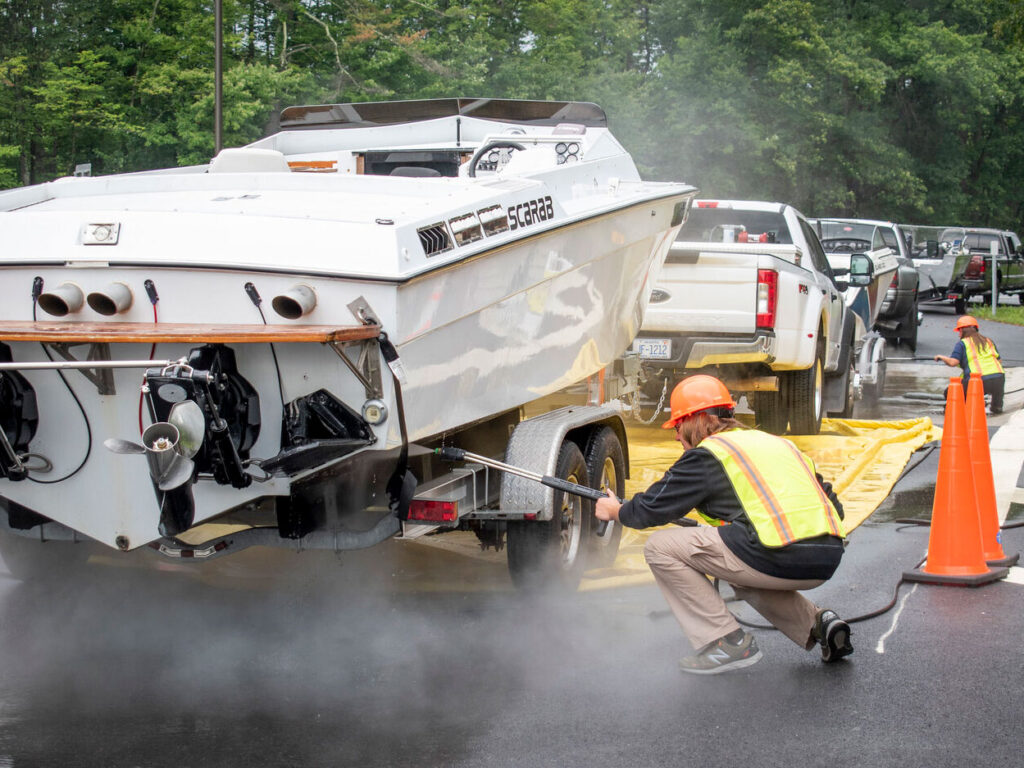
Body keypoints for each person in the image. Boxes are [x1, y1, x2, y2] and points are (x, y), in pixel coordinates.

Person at [595, 375, 852, 675]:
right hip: (828, 555)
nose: (677, 437)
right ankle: (819, 625)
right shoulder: (779, 444)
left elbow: (652, 508)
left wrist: (617, 511)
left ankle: (726, 642)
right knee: (741, 571)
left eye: (678, 426)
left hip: (776, 552)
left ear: (697, 420)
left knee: (660, 548)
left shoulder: (709, 454)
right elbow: (835, 507)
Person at [934, 315, 1005, 414]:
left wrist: (940, 357)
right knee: (996, 409)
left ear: (962, 331)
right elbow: (999, 361)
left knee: (950, 392)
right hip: (999, 377)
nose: (958, 334)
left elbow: (953, 362)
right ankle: (996, 406)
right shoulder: (988, 341)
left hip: (977, 381)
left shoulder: (962, 343)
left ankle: (965, 405)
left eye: (959, 331)